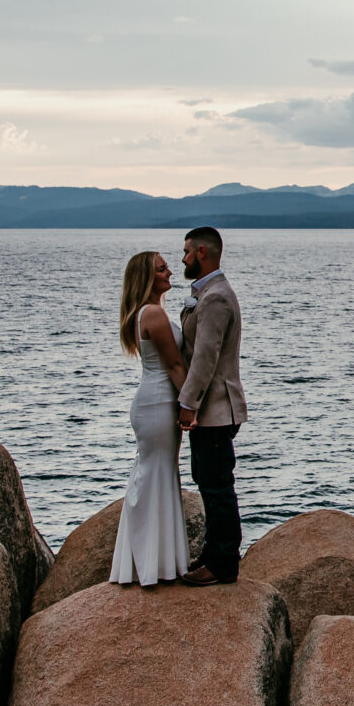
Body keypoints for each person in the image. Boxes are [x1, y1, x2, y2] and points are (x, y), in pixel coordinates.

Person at [109, 248, 191, 587]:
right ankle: (146, 561)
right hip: (157, 403)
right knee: (153, 474)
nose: (170, 271)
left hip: (157, 401)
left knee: (158, 474)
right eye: (161, 268)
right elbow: (174, 365)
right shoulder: (152, 315)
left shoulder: (151, 313)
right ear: (146, 277)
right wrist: (192, 404)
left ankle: (157, 561)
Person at [176, 225, 248, 586]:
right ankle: (214, 552)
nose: (184, 258)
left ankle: (223, 563)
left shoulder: (216, 297)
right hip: (211, 410)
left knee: (217, 485)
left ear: (202, 252)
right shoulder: (206, 293)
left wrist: (187, 404)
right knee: (207, 480)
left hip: (216, 410)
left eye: (187, 251)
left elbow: (205, 357)